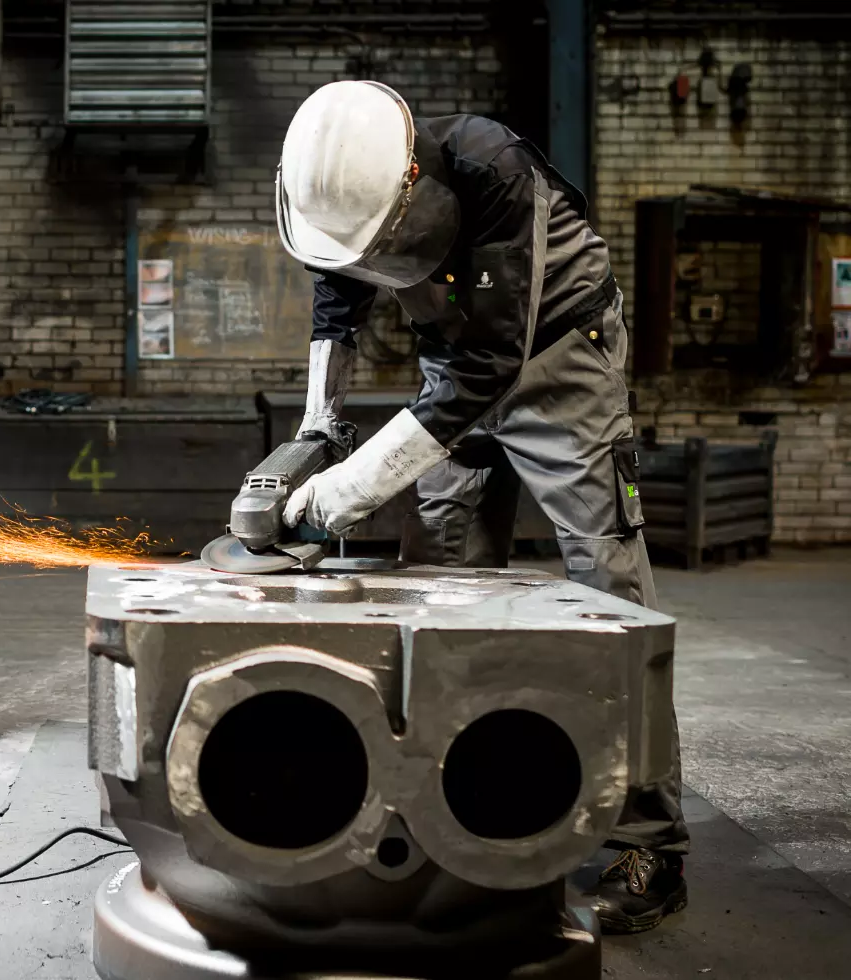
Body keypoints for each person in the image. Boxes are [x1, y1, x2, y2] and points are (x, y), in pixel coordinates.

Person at [275, 80, 689, 933]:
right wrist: (319, 429)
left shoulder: (492, 167)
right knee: (433, 581)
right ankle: (445, 805)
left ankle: (649, 843)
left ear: (413, 180)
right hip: (453, 376)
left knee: (611, 591)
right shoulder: (325, 185)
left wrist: (345, 494)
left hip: (560, 362)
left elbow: (487, 370)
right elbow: (336, 303)